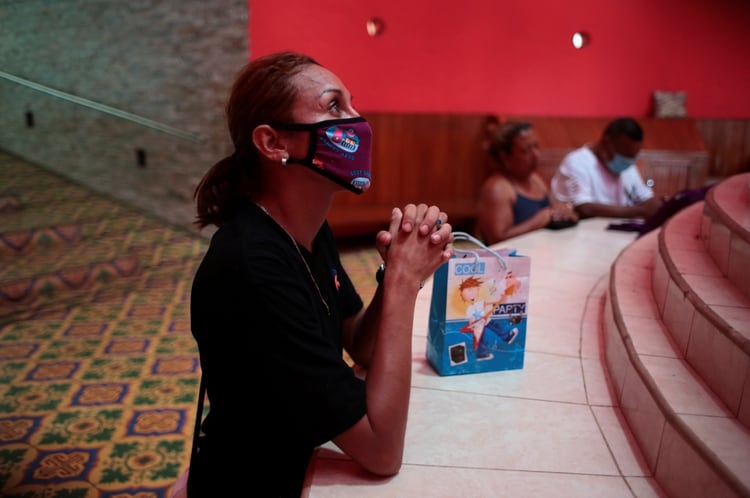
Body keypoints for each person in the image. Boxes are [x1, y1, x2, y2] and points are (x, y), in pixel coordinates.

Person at [187, 52, 455, 497]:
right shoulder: (253, 265)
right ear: (274, 143)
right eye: (334, 107)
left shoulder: (308, 227)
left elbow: (361, 341)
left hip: (303, 456)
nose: (357, 121)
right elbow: (382, 452)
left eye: (352, 105)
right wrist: (407, 284)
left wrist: (393, 275)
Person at [476, 121, 578, 245]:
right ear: (505, 157)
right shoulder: (497, 187)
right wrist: (537, 222)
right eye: (525, 151)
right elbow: (497, 239)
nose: (536, 155)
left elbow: (552, 211)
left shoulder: (534, 178)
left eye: (536, 146)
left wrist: (564, 211)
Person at [550, 117, 665, 220]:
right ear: (606, 143)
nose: (627, 162)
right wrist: (638, 211)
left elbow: (645, 198)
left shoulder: (628, 167)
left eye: (632, 157)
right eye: (624, 156)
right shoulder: (577, 162)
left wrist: (661, 205)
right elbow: (584, 208)